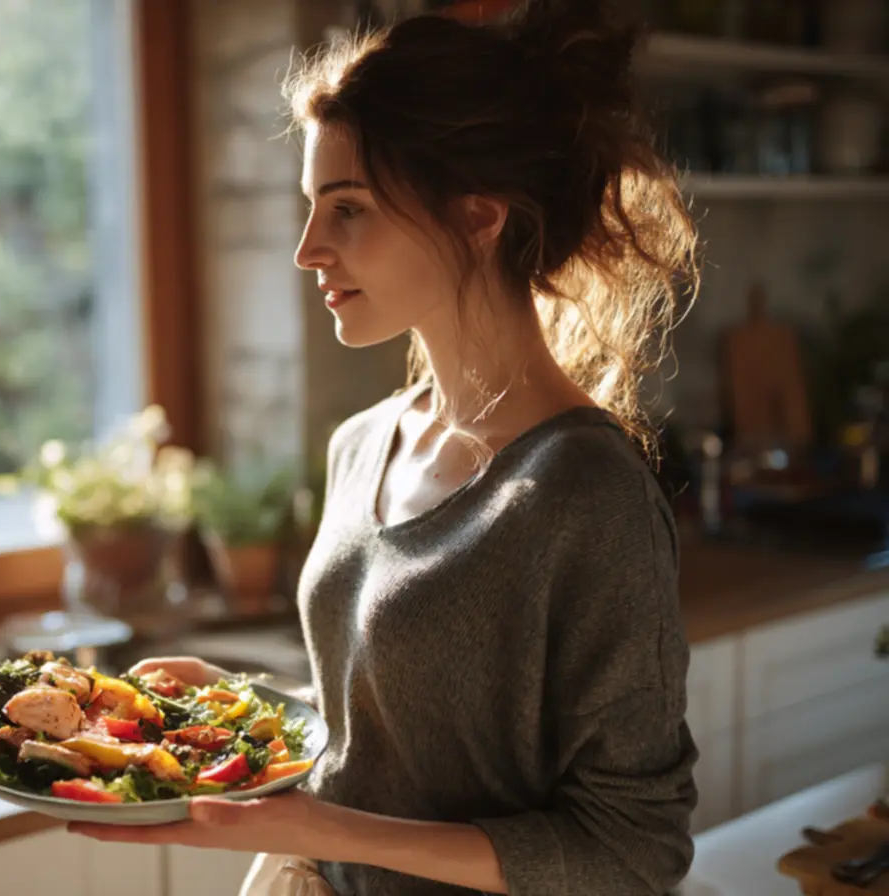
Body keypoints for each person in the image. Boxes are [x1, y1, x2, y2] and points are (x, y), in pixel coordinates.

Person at [67, 1, 701, 893]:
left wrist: (323, 825)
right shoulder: (363, 445)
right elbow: (390, 740)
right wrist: (239, 703)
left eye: (348, 208)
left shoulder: (586, 493)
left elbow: (635, 852)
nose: (307, 250)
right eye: (311, 208)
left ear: (477, 216)